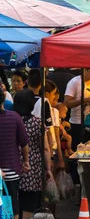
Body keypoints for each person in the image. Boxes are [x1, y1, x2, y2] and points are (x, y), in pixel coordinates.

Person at [13, 90, 52, 219]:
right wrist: (48, 169)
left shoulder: (11, 121)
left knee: (13, 202)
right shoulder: (36, 123)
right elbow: (45, 148)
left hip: (12, 169)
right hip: (32, 169)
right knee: (29, 203)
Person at [0, 87, 29, 219]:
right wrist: (26, 161)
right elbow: (24, 142)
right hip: (11, 171)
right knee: (11, 204)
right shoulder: (15, 117)